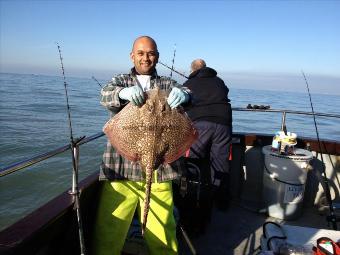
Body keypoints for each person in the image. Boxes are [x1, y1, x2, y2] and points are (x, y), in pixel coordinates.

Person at [92, 36, 191, 255]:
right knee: (110, 228)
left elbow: (190, 94)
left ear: (157, 56)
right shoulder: (121, 80)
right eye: (140, 53)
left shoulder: (167, 84)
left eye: (151, 53)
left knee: (163, 231)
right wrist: (120, 93)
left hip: (160, 170)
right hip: (120, 168)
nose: (146, 58)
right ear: (132, 55)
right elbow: (104, 94)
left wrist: (184, 95)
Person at [183, 59, 232, 210]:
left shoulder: (188, 84)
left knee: (192, 160)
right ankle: (219, 201)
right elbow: (225, 93)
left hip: (200, 123)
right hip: (224, 123)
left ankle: (191, 196)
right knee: (220, 162)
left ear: (192, 70)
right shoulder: (219, 81)